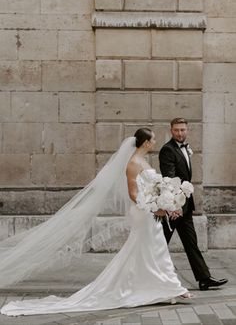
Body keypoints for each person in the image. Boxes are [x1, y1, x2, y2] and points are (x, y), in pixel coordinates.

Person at [1, 128, 191, 317]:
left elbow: (151, 189)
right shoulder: (133, 163)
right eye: (153, 139)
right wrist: (154, 207)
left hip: (150, 211)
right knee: (154, 247)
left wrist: (167, 203)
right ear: (146, 143)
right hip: (143, 212)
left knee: (145, 249)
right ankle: (171, 286)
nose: (155, 142)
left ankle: (160, 286)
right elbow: (133, 194)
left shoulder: (143, 161)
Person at [159, 118, 228, 291]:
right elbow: (170, 180)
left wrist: (184, 206)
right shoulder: (167, 150)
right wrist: (176, 206)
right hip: (174, 208)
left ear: (187, 130)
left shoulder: (185, 149)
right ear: (171, 130)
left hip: (186, 207)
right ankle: (146, 276)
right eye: (176, 130)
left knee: (191, 243)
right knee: (159, 244)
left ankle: (204, 279)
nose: (180, 133)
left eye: (182, 130)